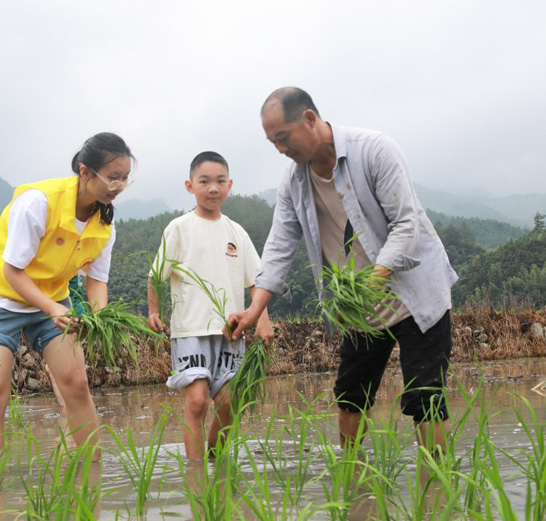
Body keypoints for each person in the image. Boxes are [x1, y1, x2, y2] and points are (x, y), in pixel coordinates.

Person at [226, 87, 458, 452]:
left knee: (424, 397)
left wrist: (373, 280)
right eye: (272, 142)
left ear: (309, 118)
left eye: (283, 138)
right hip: (358, 308)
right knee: (351, 395)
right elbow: (280, 244)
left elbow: (406, 225)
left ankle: (438, 490)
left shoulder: (375, 150)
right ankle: (352, 480)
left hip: (414, 296)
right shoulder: (293, 180)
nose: (281, 150)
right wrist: (254, 309)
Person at [0, 132, 133, 469]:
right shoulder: (38, 202)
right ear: (85, 172)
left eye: (125, 178)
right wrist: (53, 308)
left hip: (53, 300)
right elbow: (13, 271)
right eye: (112, 177)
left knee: (75, 383)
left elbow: (97, 282)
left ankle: (92, 477)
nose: (118, 185)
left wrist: (98, 320)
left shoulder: (104, 227)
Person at [147, 151, 273, 459]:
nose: (213, 188)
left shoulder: (236, 232)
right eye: (204, 181)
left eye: (219, 181)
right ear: (190, 186)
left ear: (230, 185)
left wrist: (263, 319)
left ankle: (215, 461)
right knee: (198, 402)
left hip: (231, 331)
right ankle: (196, 474)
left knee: (230, 402)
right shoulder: (179, 228)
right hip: (190, 329)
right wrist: (153, 311)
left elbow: (257, 281)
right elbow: (156, 276)